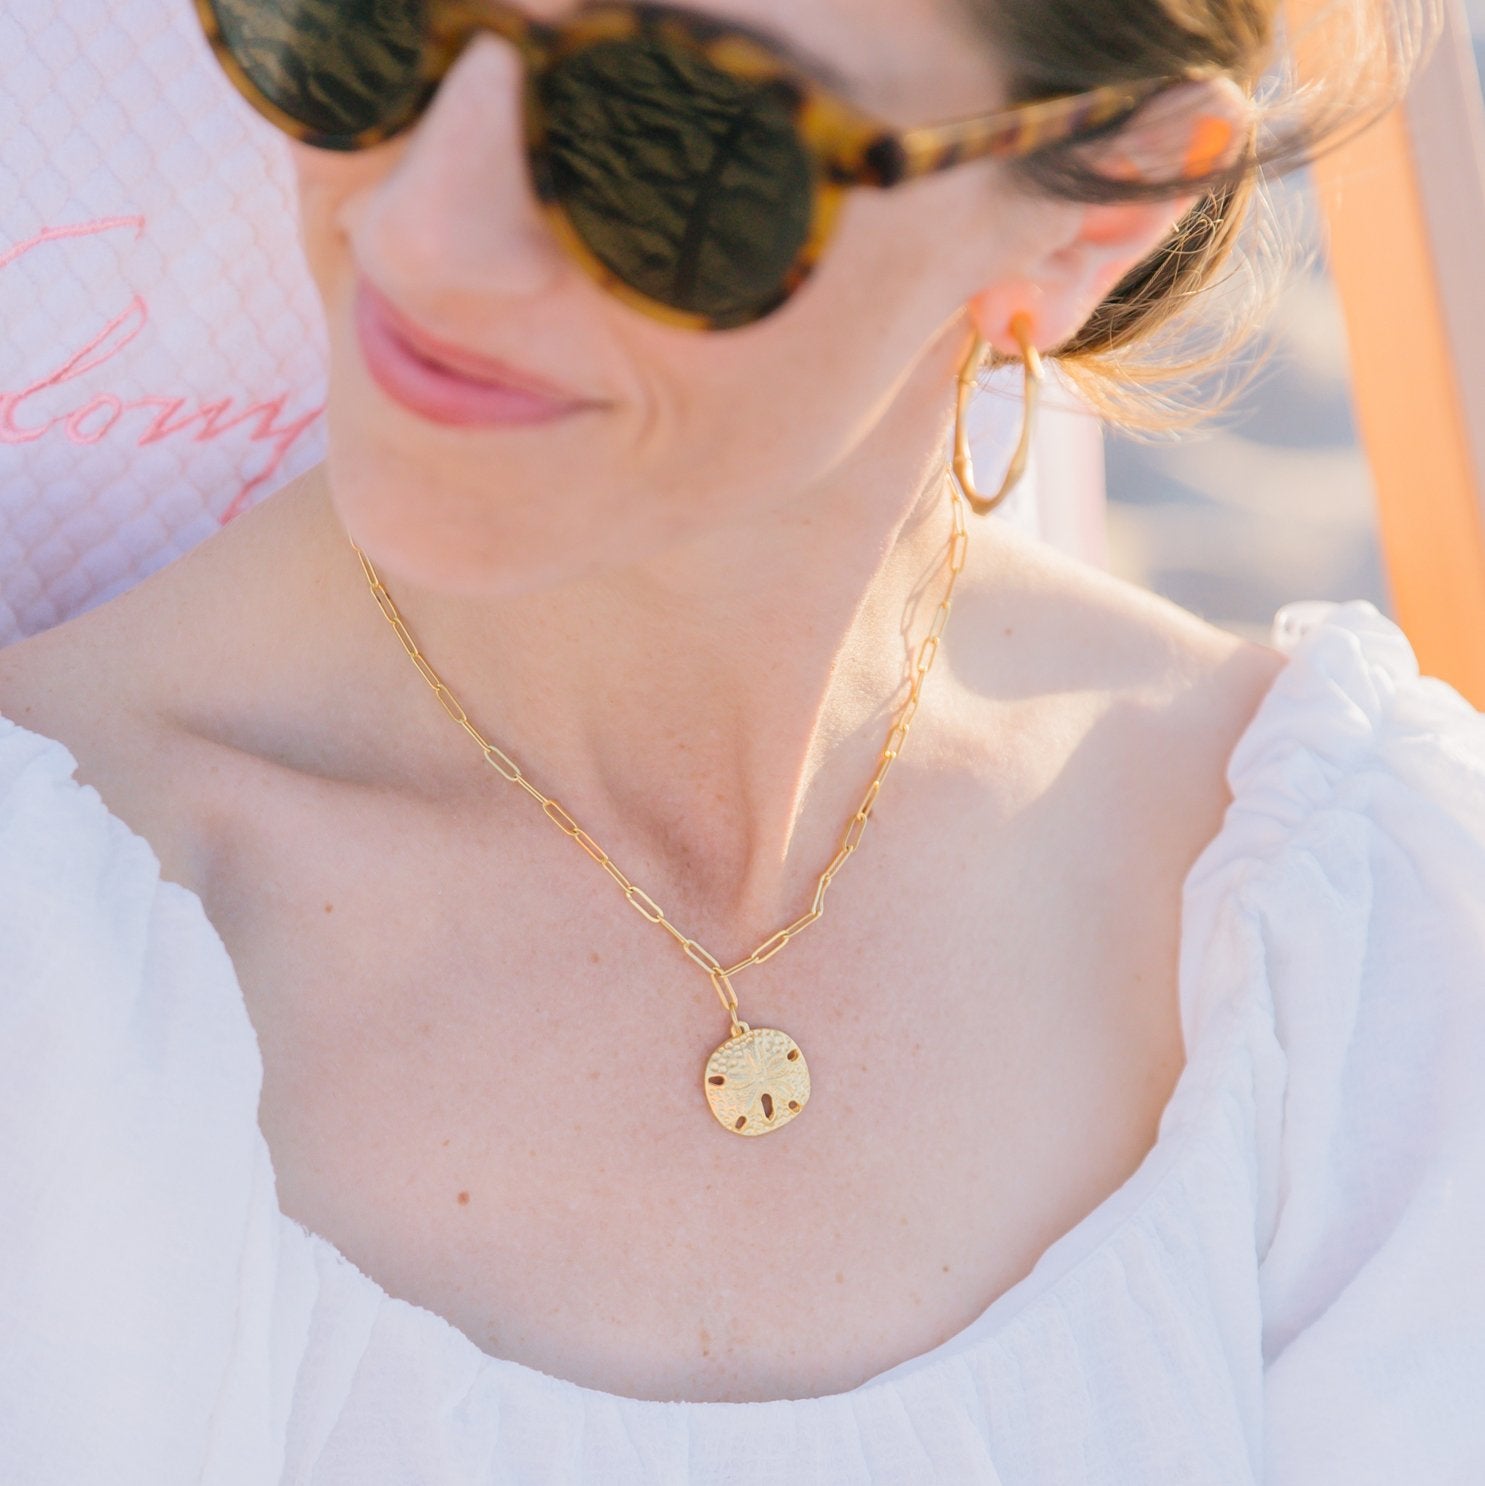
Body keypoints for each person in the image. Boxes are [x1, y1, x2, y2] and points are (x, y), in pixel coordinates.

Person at [1, 0, 1481, 1481]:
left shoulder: (1354, 949)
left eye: (668, 132)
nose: (422, 231)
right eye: (369, 26)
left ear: (1087, 215)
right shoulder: (56, 951)